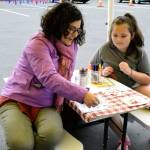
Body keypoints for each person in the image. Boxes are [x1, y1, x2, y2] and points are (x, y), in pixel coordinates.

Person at [0, 2, 100, 150]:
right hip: (17, 99)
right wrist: (82, 94)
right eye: (69, 29)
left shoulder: (71, 46)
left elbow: (63, 79)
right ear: (57, 25)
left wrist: (77, 90)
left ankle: (27, 131)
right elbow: (50, 78)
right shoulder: (38, 43)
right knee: (21, 144)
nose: (73, 35)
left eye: (77, 30)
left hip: (45, 103)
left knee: (51, 135)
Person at [90, 13, 150, 150]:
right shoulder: (105, 48)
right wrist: (102, 72)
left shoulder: (139, 52)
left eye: (123, 36)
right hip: (111, 91)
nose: (118, 40)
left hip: (133, 87)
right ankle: (124, 139)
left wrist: (130, 72)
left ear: (132, 35)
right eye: (114, 35)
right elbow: (91, 67)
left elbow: (147, 78)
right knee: (107, 110)